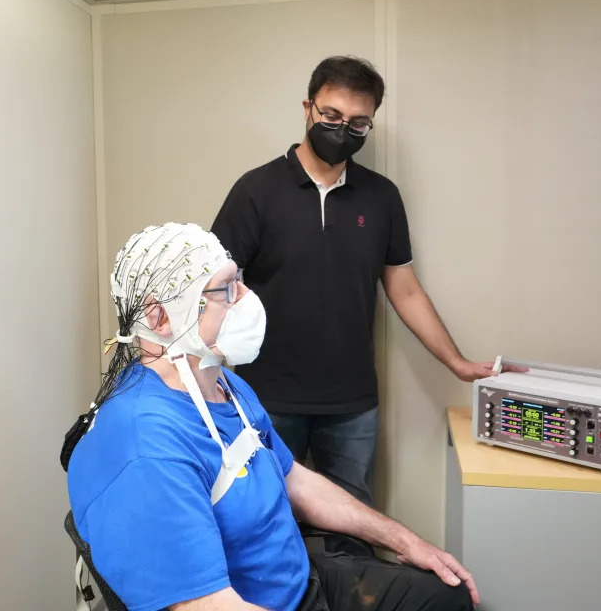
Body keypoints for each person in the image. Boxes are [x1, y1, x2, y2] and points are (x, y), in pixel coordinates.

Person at [60, 222, 477, 611]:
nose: (244, 298)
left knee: (447, 597)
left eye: (238, 281)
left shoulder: (221, 383)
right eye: (225, 289)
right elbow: (207, 607)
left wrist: (402, 540)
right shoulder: (146, 450)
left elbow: (292, 477)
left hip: (298, 581)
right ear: (159, 317)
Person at [211, 56, 522, 506]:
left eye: (358, 123)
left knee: (353, 527)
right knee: (263, 521)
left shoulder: (381, 197)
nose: (342, 129)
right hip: (266, 397)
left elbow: (404, 287)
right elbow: (214, 286)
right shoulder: (255, 191)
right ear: (307, 108)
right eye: (332, 115)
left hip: (352, 402)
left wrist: (455, 362)